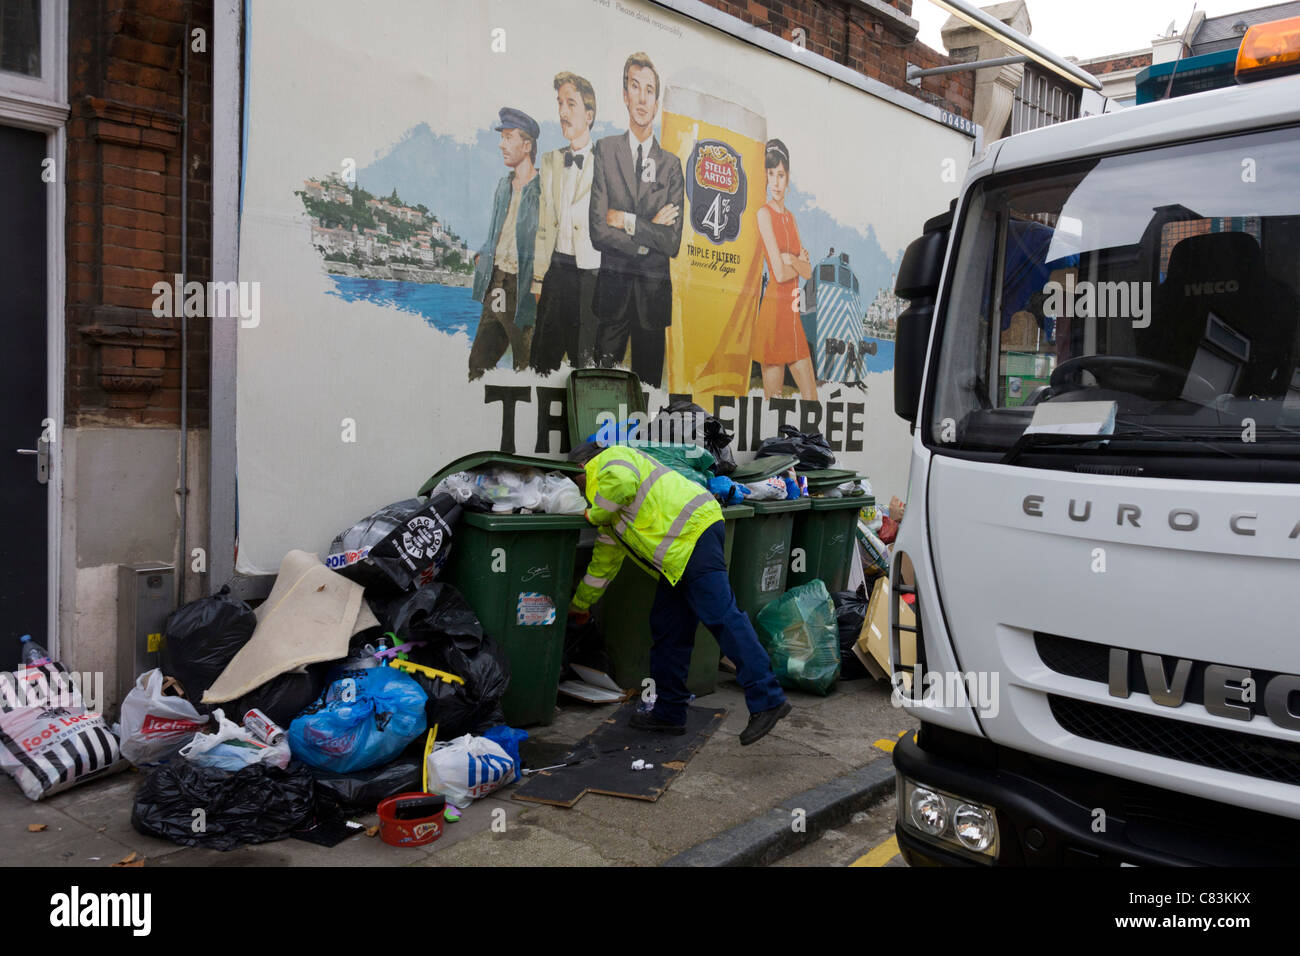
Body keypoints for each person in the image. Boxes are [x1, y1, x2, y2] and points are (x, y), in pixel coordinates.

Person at [566, 440, 791, 744]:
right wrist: (579, 604)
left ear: (582, 468)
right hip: (679, 554)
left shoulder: (610, 461)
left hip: (693, 533)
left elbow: (620, 484)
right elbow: (602, 567)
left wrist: (593, 514)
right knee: (668, 629)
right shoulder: (613, 518)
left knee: (722, 616)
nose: (580, 491)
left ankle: (768, 698)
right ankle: (669, 713)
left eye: (576, 482)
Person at [588, 52, 685, 388]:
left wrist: (628, 221)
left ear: (656, 102)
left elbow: (671, 242)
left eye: (650, 90)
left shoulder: (671, 166)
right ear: (625, 95)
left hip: (652, 301)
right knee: (600, 391)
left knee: (648, 405)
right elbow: (598, 231)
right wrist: (648, 234)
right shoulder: (605, 150)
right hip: (613, 296)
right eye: (635, 87)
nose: (642, 98)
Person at [530, 72, 601, 374]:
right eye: (560, 103)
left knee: (583, 363)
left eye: (570, 104)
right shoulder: (549, 162)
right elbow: (544, 225)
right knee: (542, 360)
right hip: (556, 271)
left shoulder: (608, 162)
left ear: (589, 114)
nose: (562, 112)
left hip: (592, 276)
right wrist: (537, 278)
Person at [469, 107, 542, 380]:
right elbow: (495, 232)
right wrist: (482, 258)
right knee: (478, 363)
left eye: (508, 137)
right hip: (496, 282)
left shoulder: (543, 188)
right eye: (502, 137)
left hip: (522, 286)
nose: (501, 144)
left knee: (525, 366)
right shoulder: (503, 185)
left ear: (527, 144)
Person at [754, 139, 817, 401]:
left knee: (812, 399)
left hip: (792, 319)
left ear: (788, 177)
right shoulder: (763, 214)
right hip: (773, 315)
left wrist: (789, 260)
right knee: (774, 404)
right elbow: (778, 275)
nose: (776, 182)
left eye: (780, 175)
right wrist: (795, 262)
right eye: (771, 175)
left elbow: (808, 271)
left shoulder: (791, 218)